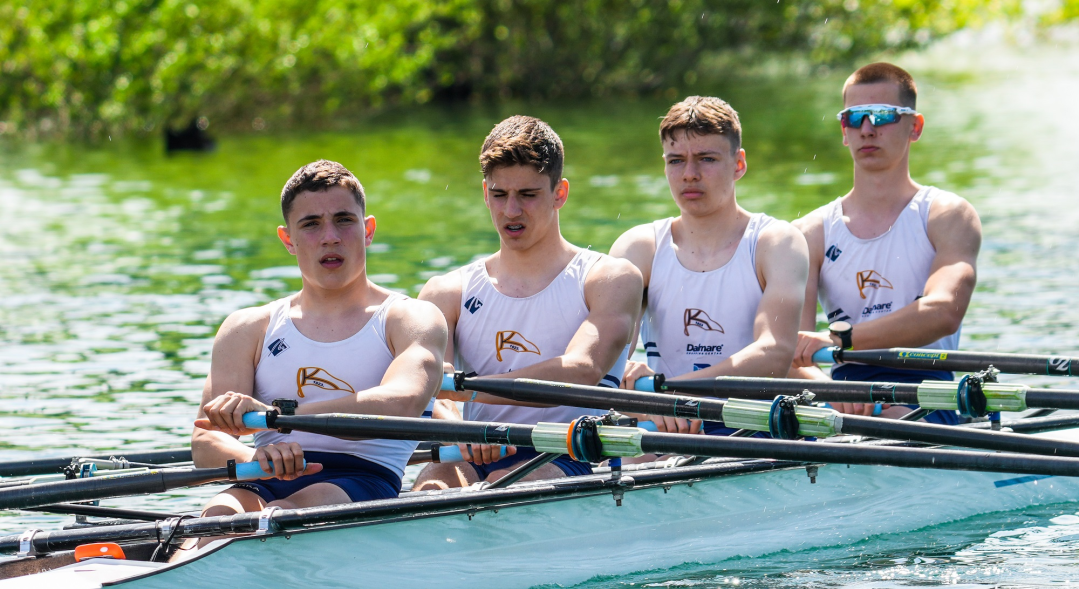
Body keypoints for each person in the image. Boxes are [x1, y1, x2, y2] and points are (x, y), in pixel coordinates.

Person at [187, 160, 447, 524]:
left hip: (362, 480)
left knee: (283, 515)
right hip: (264, 478)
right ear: (287, 239)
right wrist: (256, 459)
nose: (330, 237)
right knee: (217, 516)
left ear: (368, 229)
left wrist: (276, 419)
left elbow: (404, 401)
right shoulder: (245, 328)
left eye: (344, 220)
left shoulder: (410, 318)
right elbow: (205, 441)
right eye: (311, 225)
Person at [413, 116, 643, 490]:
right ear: (485, 194)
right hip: (476, 452)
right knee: (431, 486)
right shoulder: (447, 291)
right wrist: (456, 426)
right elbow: (427, 385)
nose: (511, 211)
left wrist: (467, 390)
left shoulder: (609, 278)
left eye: (528, 195)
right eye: (500, 195)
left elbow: (581, 369)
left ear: (560, 193)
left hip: (573, 454)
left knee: (508, 481)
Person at [792, 63, 982, 423]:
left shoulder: (947, 214)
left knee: (893, 417)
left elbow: (943, 311)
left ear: (915, 126)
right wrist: (829, 392)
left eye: (882, 116)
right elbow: (791, 348)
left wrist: (840, 341)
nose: (867, 129)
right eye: (855, 117)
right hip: (842, 391)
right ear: (843, 131)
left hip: (927, 390)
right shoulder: (810, 231)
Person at [610, 96, 810, 435]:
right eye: (676, 160)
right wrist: (627, 370)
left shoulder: (776, 243)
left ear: (739, 164)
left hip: (750, 425)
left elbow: (774, 354)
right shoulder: (638, 248)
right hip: (666, 422)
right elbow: (609, 352)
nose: (689, 174)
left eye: (706, 159)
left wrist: (671, 391)